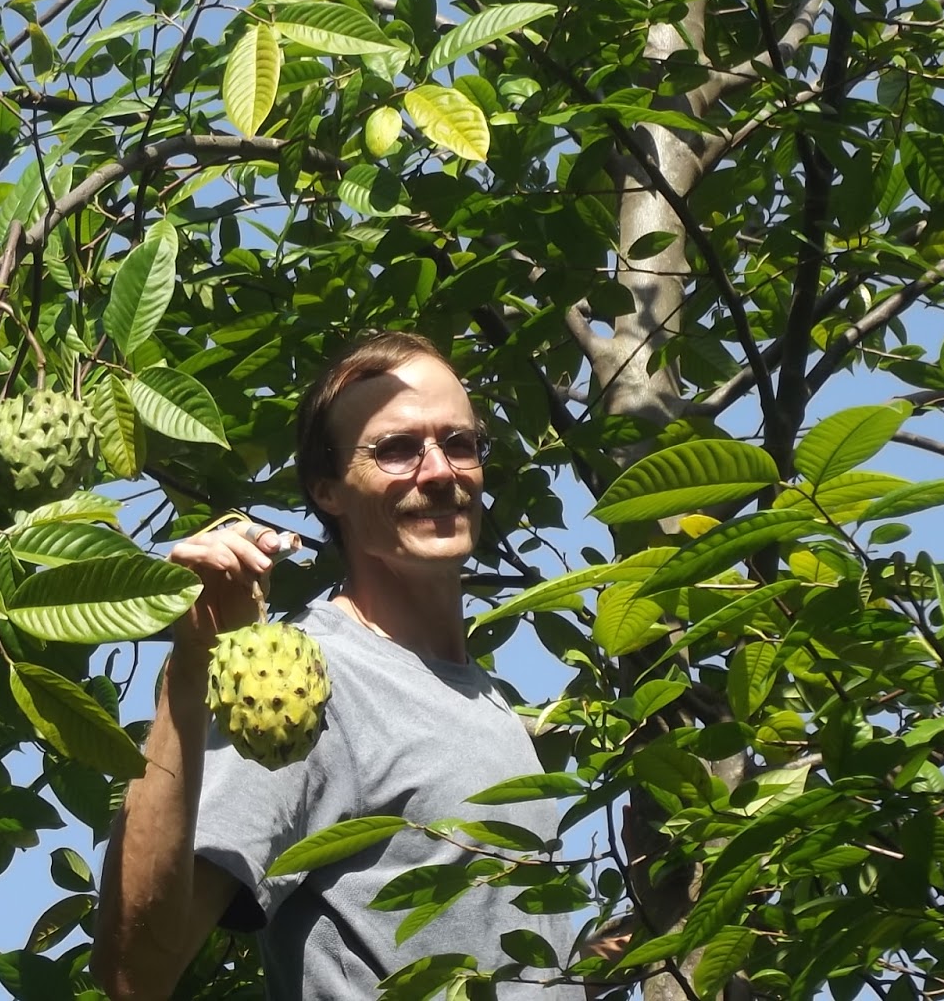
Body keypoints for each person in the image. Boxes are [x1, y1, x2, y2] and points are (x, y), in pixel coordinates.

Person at [92, 332, 583, 998]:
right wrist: (190, 665)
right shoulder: (314, 677)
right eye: (397, 449)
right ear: (329, 491)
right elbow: (135, 977)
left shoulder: (488, 702)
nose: (439, 471)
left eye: (459, 443)